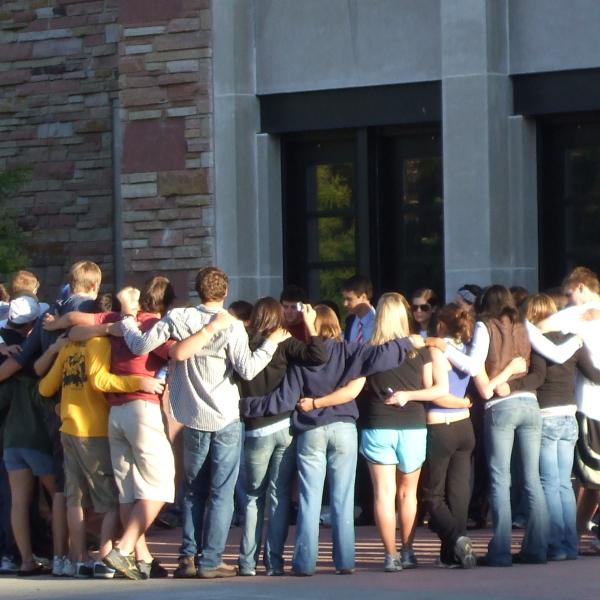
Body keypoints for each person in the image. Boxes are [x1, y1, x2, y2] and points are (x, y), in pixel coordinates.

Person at [119, 267, 287, 579]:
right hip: (225, 414)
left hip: (191, 415)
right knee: (222, 491)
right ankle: (210, 560)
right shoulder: (233, 326)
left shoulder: (178, 318)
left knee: (194, 490)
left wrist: (128, 318)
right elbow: (248, 370)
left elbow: (140, 345)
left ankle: (187, 558)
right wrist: (270, 344)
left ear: (198, 291)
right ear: (225, 292)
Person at [240, 305, 413, 576]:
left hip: (311, 429)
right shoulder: (350, 351)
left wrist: (246, 407)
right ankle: (345, 561)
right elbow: (383, 356)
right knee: (343, 497)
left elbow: (287, 397)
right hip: (344, 427)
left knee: (310, 499)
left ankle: (305, 563)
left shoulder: (303, 358)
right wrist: (409, 341)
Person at [174, 297, 327, 576]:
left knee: (252, 497)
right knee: (278, 496)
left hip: (253, 427)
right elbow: (318, 357)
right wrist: (310, 326)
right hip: (282, 426)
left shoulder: (244, 342)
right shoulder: (286, 343)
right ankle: (275, 562)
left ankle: (247, 563)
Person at [38, 293, 167, 579]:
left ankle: (76, 558)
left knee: (75, 497)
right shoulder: (99, 343)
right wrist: (138, 381)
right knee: (109, 497)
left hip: (68, 428)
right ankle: (105, 557)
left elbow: (45, 387)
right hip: (94, 428)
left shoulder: (70, 347)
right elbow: (99, 381)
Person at [500, 293, 600, 560]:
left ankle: (556, 543)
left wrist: (511, 385)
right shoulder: (573, 342)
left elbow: (538, 376)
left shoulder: (535, 343)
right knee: (564, 485)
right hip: (569, 415)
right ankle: (568, 544)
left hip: (545, 414)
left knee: (548, 482)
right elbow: (594, 375)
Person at [526, 267, 600, 550]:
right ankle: (577, 532)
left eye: (570, 293)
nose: (568, 299)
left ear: (580, 287)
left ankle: (573, 534)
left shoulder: (576, 314)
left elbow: (539, 327)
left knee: (583, 475)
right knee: (588, 478)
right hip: (586, 403)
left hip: (587, 403)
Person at [0, 296, 55, 576]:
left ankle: (24, 560)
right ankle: (65, 555)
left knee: (18, 501)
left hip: (12, 440)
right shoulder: (34, 362)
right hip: (37, 440)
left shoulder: (9, 353)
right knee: (58, 495)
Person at [420, 303, 477, 568]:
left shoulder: (436, 348)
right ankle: (450, 554)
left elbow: (436, 390)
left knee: (433, 495)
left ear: (440, 324)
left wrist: (458, 402)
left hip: (441, 423)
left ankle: (457, 539)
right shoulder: (464, 349)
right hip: (464, 427)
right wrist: (463, 403)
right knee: (458, 493)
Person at [341, 275, 376, 344]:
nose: (345, 303)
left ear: (363, 297)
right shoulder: (349, 321)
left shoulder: (379, 322)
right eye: (344, 299)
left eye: (349, 299)